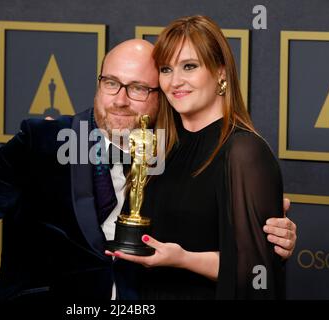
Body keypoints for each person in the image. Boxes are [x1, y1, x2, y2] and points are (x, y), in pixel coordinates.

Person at [0, 38, 296, 300]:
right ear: (98, 82)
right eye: (111, 83)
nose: (121, 100)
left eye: (139, 88)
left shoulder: (185, 155)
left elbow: (232, 243)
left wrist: (269, 231)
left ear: (163, 96)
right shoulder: (42, 141)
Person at [106, 16, 289, 299]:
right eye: (166, 69)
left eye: (189, 66)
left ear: (221, 72)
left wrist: (183, 258)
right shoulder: (160, 146)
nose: (175, 81)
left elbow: (257, 275)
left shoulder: (244, 152)